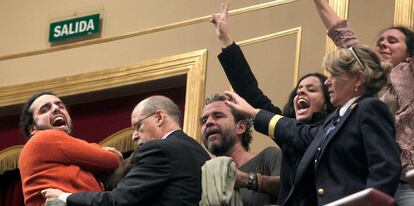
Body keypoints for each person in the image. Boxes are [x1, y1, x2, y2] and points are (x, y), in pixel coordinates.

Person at [224, 44, 401, 205]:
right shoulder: (335, 121)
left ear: (358, 79)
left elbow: (384, 167)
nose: (327, 81)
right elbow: (296, 132)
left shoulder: (368, 107)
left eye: (334, 75)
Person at [211, 0, 334, 204]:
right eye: (298, 90)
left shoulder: (335, 129)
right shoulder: (288, 131)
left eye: (311, 89)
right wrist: (226, 40)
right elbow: (251, 93)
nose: (301, 91)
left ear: (327, 102)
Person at [313, 0, 414, 204]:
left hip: (407, 181)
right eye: (380, 41)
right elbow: (341, 33)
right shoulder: (371, 76)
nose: (383, 44)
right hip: (374, 177)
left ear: (410, 53)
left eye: (392, 41)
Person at [42, 95, 211, 206]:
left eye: (138, 126)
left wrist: (65, 196)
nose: (134, 137)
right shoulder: (199, 151)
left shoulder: (159, 149)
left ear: (159, 117)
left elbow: (118, 201)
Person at [18, 92, 121, 206]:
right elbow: (110, 159)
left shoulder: (58, 154)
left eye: (60, 105)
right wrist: (106, 153)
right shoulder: (44, 137)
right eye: (44, 110)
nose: (56, 108)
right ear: (33, 128)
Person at [201, 94, 282, 205]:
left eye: (218, 116)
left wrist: (246, 180)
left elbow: (292, 187)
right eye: (204, 120)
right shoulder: (206, 175)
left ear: (240, 127)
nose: (208, 122)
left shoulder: (269, 156)